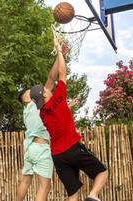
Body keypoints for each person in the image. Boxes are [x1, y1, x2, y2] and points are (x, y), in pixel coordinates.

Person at [30, 37, 108, 201]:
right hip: (73, 148)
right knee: (102, 172)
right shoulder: (58, 97)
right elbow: (62, 75)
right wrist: (58, 50)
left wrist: (60, 56)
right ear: (45, 94)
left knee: (73, 193)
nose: (47, 87)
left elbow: (52, 78)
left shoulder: (42, 112)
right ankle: (93, 196)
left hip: (58, 156)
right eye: (45, 89)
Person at [16, 87, 80, 201]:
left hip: (30, 148)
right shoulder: (34, 106)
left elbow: (51, 112)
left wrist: (69, 105)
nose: (34, 92)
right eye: (30, 92)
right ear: (26, 99)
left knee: (25, 181)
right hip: (41, 148)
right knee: (44, 186)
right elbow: (51, 109)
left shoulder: (26, 112)